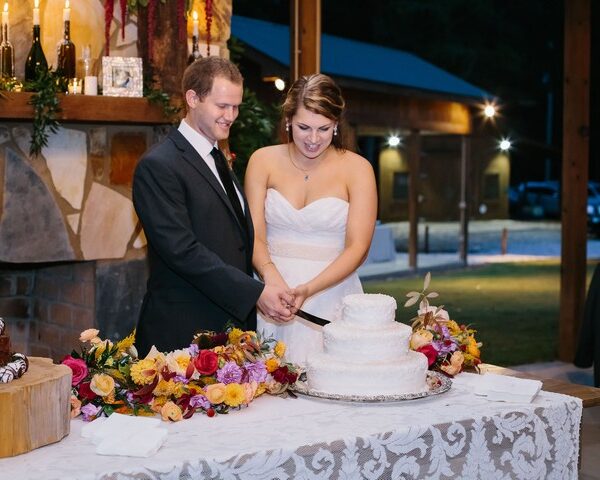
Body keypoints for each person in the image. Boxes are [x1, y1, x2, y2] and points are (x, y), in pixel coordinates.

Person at [132, 57, 295, 357]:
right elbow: (182, 250)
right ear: (193, 98)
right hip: (181, 334)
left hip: (226, 329)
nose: (231, 116)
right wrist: (254, 293)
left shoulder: (218, 158)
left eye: (236, 107)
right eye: (222, 106)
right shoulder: (158, 166)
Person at [244, 73, 378, 364]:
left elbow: (358, 247)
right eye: (304, 127)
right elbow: (253, 233)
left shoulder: (358, 169)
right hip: (269, 293)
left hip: (331, 292)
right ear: (288, 120)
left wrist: (308, 289)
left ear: (336, 125)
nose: (314, 139)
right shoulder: (262, 161)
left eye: (324, 128)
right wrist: (271, 280)